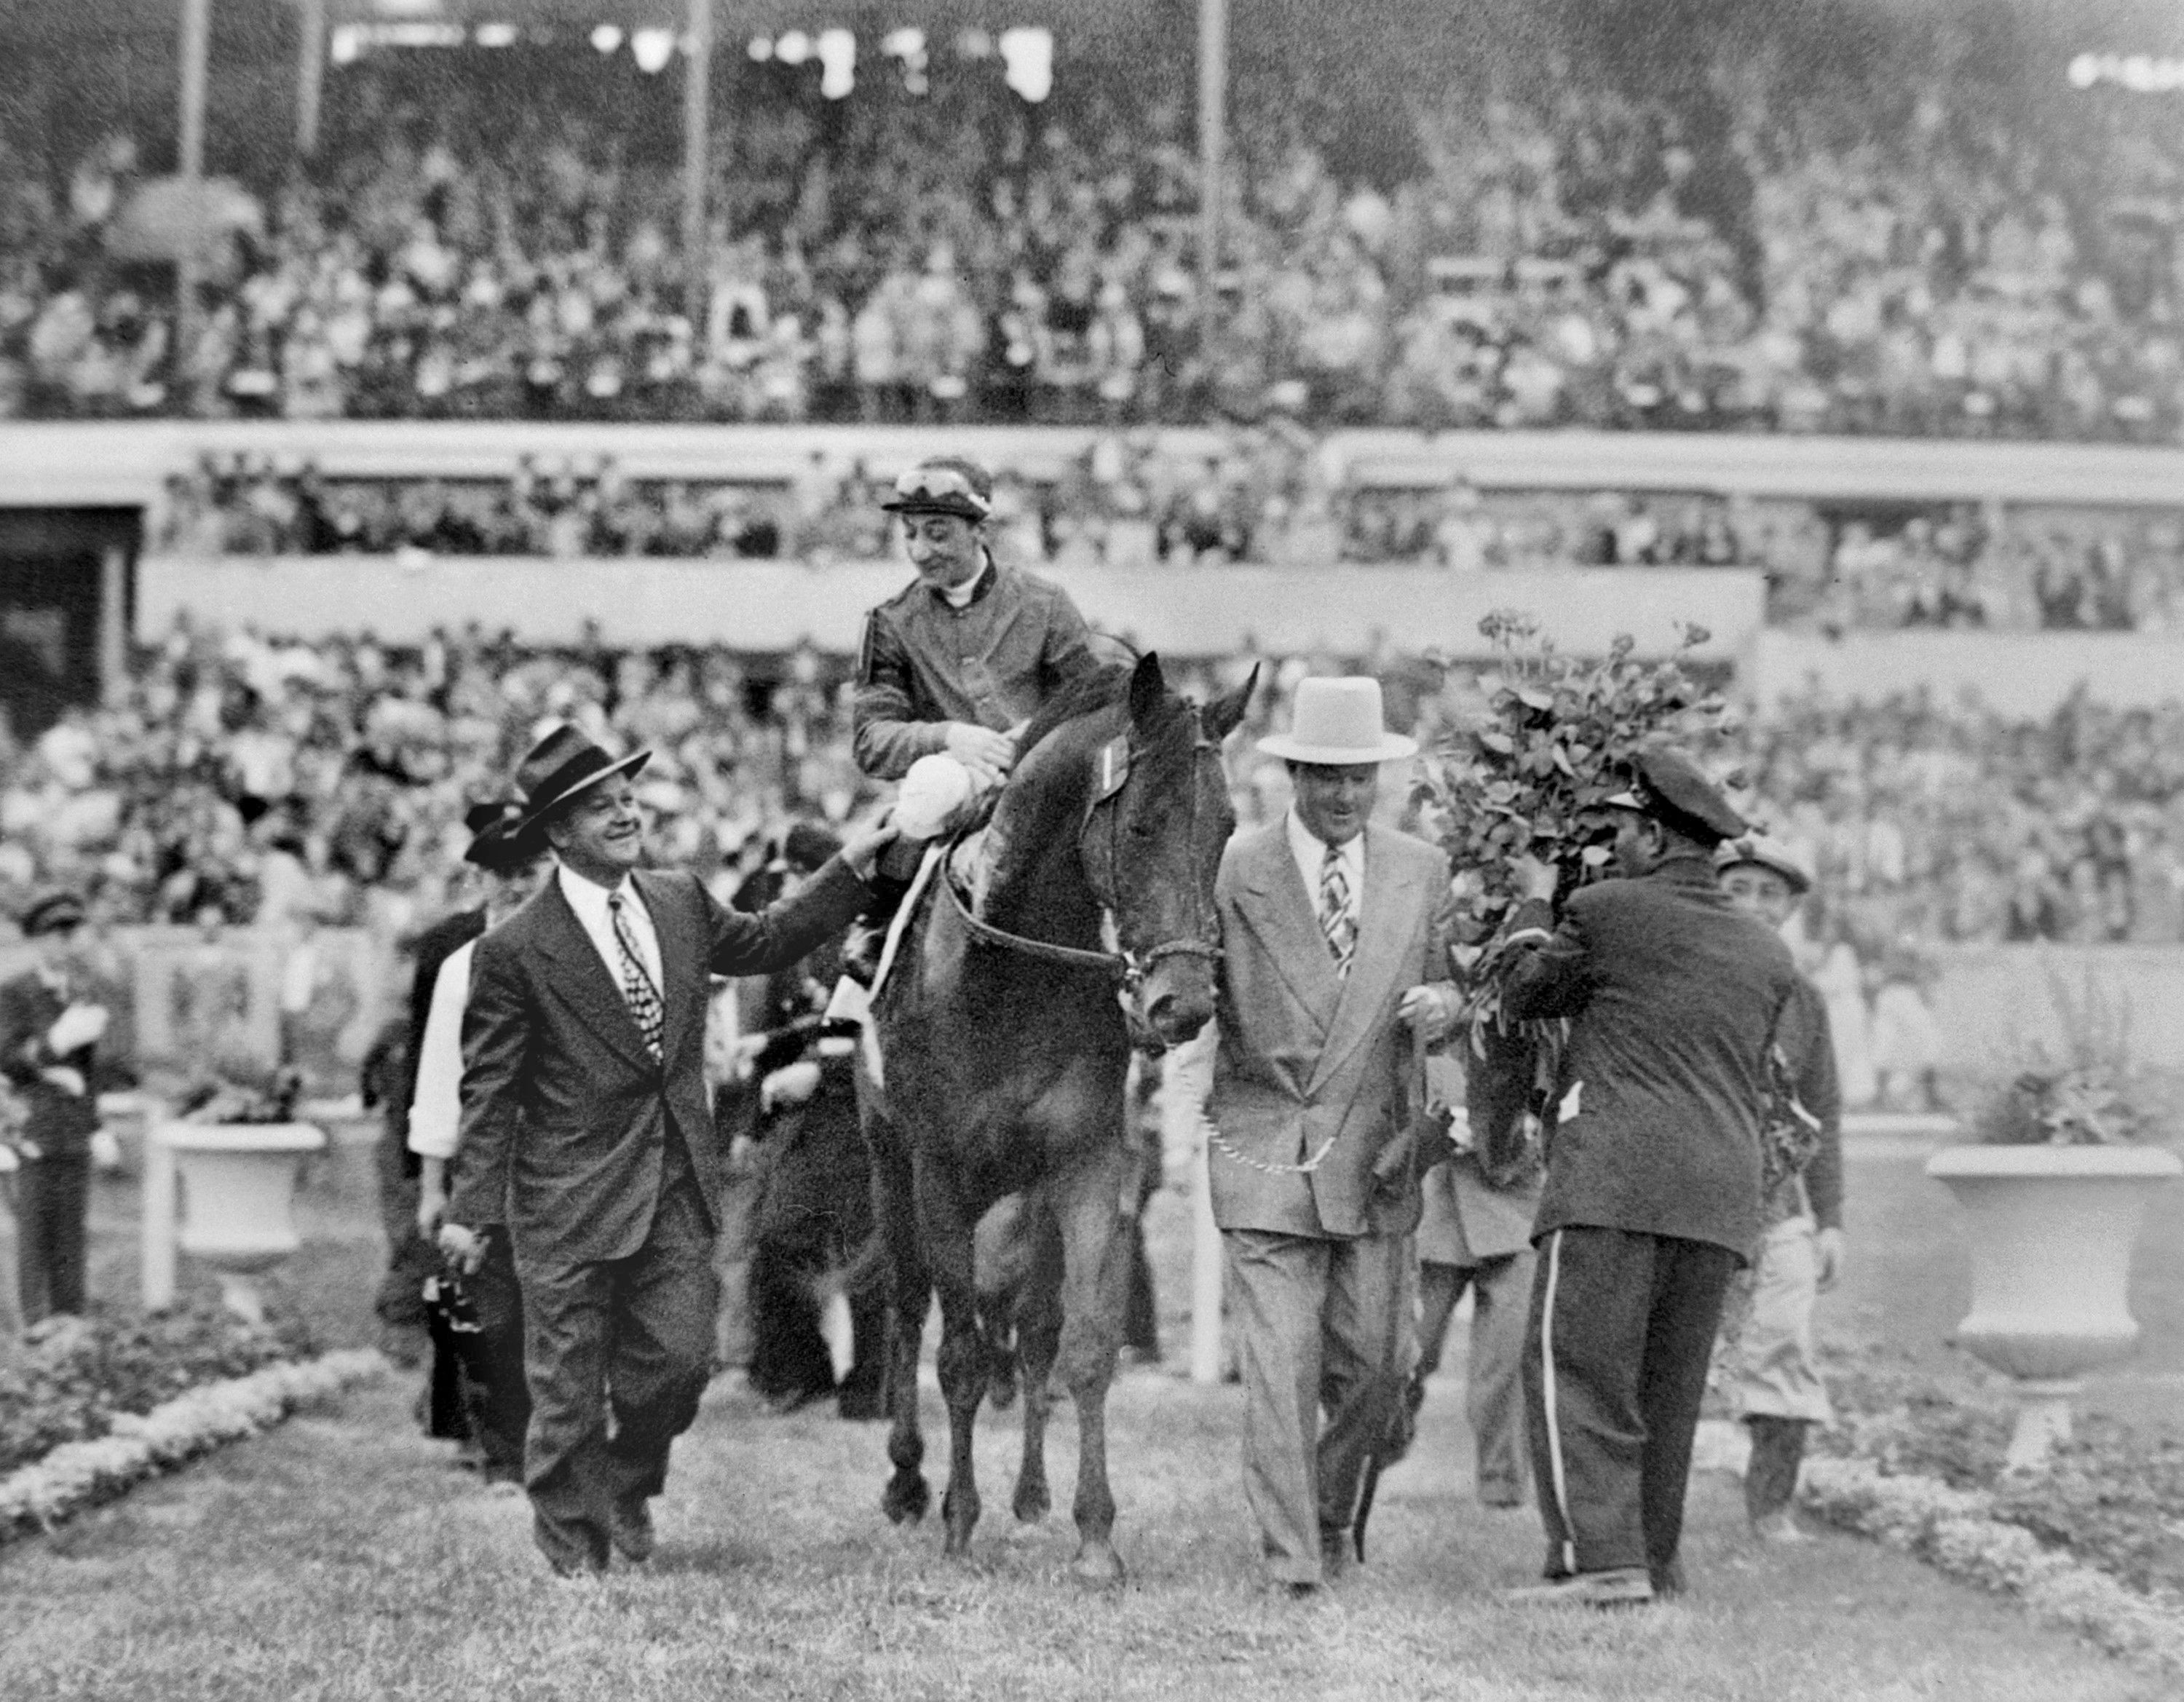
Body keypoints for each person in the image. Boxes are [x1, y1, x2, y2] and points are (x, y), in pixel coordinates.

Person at [436, 725, 893, 1579]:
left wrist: (857, 865)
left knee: (680, 1366)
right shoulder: (511, 953)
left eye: (627, 798)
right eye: (600, 805)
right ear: (557, 832)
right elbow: (491, 1093)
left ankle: (626, 1481)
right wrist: (469, 1212)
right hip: (564, 1199)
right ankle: (575, 1550)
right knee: (567, 1388)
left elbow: (767, 937)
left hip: (677, 1184)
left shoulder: (680, 898)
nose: (625, 813)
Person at [1496, 750, 1800, 1607]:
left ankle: (1599, 1562)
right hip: (1716, 1199)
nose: (1612, 843)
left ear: (1656, 833)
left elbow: (1525, 991)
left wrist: (1530, 897)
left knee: (1577, 1370)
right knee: (1670, 1393)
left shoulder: (1604, 910)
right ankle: (1652, 1563)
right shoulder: (1768, 951)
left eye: (1623, 830)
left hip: (1613, 1182)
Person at [1204, 676, 1458, 1595]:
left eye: (1361, 780)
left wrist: (1446, 1002)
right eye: (1327, 779)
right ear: (1295, 776)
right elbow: (1188, 989)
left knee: (1384, 1368)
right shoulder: (1235, 868)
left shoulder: (1421, 870)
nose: (1345, 798)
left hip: (1376, 1151)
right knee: (1280, 1366)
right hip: (1263, 1143)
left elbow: (1459, 986)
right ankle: (1293, 1563)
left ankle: (1330, 1513)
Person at [844, 456, 1102, 973]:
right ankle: (878, 933)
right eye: (911, 534)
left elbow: (1094, 701)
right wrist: (948, 738)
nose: (920, 551)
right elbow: (871, 740)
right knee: (932, 783)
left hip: (1045, 780)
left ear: (979, 530)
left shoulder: (1045, 603)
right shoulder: (891, 622)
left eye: (937, 534)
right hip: (952, 789)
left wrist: (1031, 739)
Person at [407, 804, 551, 1484]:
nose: (517, 885)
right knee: (490, 1314)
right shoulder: (461, 965)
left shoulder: (580, 954)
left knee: (558, 1308)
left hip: (562, 1161)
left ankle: (557, 1444)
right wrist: (435, 1186)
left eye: (531, 870)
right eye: (504, 874)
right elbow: (438, 1078)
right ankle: (500, 1451)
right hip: (483, 1162)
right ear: (482, 880)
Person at [1712, 834, 1845, 1544]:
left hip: (1776, 1203)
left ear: (1791, 907)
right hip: (1696, 1195)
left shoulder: (1805, 998)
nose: (1755, 905)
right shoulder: (1687, 971)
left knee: (1784, 1348)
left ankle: (1770, 1510)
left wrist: (1832, 1218)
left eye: (1770, 893)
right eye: (1739, 888)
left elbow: (1820, 1110)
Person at [737, 823, 887, 1420]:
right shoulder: (791, 946)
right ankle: (806, 1374)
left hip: (863, 1116)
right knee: (780, 1240)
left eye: (798, 875)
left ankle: (874, 1386)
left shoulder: (870, 932)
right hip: (805, 1126)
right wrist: (752, 1124)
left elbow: (878, 1032)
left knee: (868, 1257)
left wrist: (819, 1075)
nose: (789, 886)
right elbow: (776, 1045)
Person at [371, 801, 515, 1368]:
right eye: (506, 869)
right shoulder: (449, 946)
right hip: (463, 1127)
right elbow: (430, 1059)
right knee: (454, 1264)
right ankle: (458, 1401)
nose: (520, 883)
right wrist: (422, 1158)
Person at [1406, 1051, 1540, 1511]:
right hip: (1434, 1201)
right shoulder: (1425, 990)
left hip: (1517, 1198)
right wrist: (1431, 1129)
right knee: (1410, 1351)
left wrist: (1515, 1127)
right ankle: (1374, 1456)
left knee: (1507, 1357)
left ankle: (1501, 1487)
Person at [0, 890, 108, 1323]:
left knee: (71, 1233)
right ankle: (37, 1326)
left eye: (71, 934)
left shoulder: (80, 991)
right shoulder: (14, 993)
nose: (66, 943)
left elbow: (91, 1071)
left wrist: (96, 1125)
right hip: (34, 1125)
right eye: (56, 935)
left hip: (72, 1126)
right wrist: (53, 1044)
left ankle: (70, 1324)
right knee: (35, 1232)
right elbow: (6, 1058)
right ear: (37, 940)